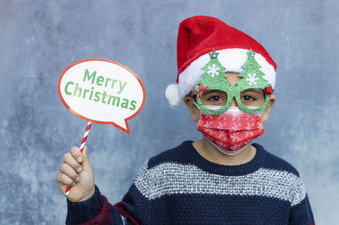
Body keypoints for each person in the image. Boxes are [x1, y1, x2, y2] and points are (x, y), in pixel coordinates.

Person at [56, 15, 315, 224]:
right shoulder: (160, 175)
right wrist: (86, 199)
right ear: (192, 106)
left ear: (267, 107)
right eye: (216, 97)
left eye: (248, 97)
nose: (233, 110)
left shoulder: (285, 181)